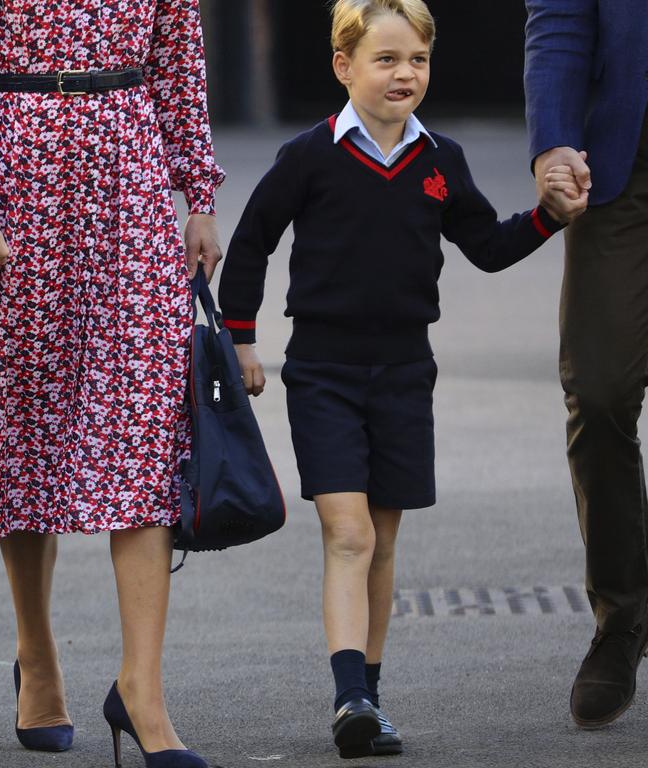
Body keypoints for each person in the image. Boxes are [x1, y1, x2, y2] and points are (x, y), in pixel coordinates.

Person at [218, 0, 586, 759]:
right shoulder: (309, 156)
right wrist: (243, 342)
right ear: (343, 66)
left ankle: (368, 700)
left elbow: (484, 245)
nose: (404, 73)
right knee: (347, 532)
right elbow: (251, 243)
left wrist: (548, 216)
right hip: (321, 370)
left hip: (405, 372)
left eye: (416, 59)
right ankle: (348, 694)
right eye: (385, 59)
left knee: (382, 541)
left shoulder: (440, 161)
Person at [0, 2, 224, 766]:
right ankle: (38, 658)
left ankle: (142, 692)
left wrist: (201, 199)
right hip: (21, 178)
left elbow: (180, 63)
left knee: (148, 429)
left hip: (133, 174)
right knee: (25, 422)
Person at [525, 0, 648, 730]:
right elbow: (562, 22)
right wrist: (553, 144)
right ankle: (621, 617)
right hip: (618, 168)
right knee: (598, 390)